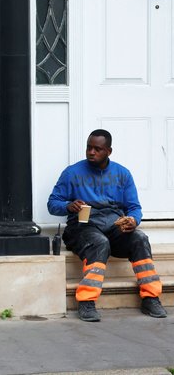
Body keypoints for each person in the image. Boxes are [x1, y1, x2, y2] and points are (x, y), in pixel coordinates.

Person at [47, 129, 167, 321]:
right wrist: (68, 206)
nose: (91, 152)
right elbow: (52, 204)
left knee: (140, 238)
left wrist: (133, 220)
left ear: (108, 151)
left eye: (97, 149)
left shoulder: (122, 174)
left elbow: (134, 207)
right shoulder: (72, 173)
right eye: (89, 147)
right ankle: (86, 301)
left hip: (113, 225)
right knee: (99, 242)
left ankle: (150, 297)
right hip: (82, 226)